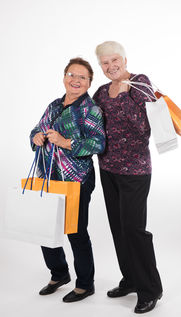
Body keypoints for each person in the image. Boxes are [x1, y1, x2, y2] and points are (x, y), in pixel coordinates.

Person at [93, 41, 163, 314]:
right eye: (104, 63)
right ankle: (131, 279)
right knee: (118, 228)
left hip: (135, 170)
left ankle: (150, 289)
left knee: (134, 230)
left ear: (123, 59)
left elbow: (142, 127)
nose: (110, 67)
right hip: (107, 168)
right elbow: (92, 122)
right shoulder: (100, 91)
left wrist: (123, 96)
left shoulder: (139, 84)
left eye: (114, 61)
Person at [30, 57, 105, 302]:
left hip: (77, 179)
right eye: (71, 75)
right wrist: (37, 137)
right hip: (49, 177)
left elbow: (98, 143)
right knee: (45, 228)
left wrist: (66, 142)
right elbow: (35, 129)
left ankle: (85, 284)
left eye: (82, 77)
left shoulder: (90, 110)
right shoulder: (54, 105)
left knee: (75, 231)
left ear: (89, 82)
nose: (76, 80)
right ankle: (59, 274)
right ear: (64, 77)